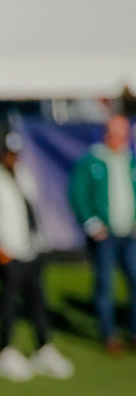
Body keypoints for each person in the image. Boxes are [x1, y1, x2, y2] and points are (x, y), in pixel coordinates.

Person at [0, 134, 74, 382]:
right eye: (9, 153)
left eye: (16, 154)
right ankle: (4, 350)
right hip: (8, 251)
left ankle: (43, 348)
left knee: (38, 302)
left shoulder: (23, 174)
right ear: (1, 153)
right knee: (8, 302)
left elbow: (32, 210)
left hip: (30, 248)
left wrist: (39, 242)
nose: (13, 159)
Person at [68, 114, 136, 354]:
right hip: (105, 235)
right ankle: (109, 335)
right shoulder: (91, 161)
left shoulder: (131, 161)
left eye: (123, 135)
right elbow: (78, 195)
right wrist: (92, 224)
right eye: (114, 134)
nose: (119, 140)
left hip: (129, 233)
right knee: (105, 284)